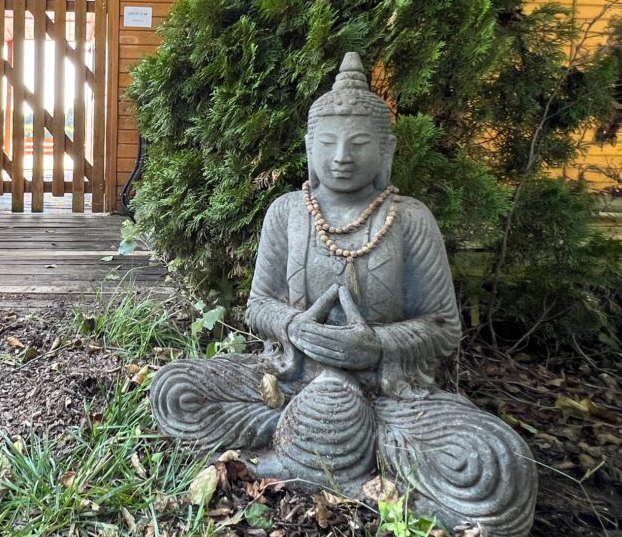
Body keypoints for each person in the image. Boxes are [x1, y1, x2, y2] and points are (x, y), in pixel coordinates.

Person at [150, 53, 536, 537]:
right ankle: (358, 465)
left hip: (385, 393)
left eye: (359, 144)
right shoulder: (287, 212)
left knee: (494, 466)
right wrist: (294, 326)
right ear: (309, 147)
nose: (341, 157)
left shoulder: (409, 219)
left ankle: (298, 452)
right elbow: (259, 305)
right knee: (175, 389)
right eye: (328, 143)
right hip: (291, 381)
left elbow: (443, 326)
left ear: (386, 150)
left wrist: (376, 345)